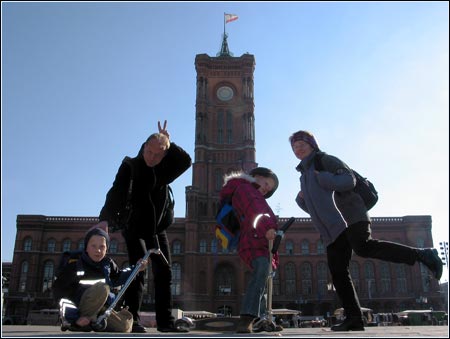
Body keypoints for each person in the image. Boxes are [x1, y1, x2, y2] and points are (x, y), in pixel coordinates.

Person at [289, 130, 443, 332]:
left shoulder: (325, 161)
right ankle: (354, 318)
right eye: (294, 147)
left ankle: (423, 254)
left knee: (364, 248)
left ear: (312, 145)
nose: (298, 149)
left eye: (302, 144)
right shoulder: (305, 174)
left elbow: (348, 181)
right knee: (338, 272)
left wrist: (324, 178)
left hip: (350, 216)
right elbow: (314, 207)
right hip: (331, 228)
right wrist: (301, 200)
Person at [98, 120, 192, 333]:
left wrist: (169, 140)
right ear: (144, 147)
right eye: (148, 151)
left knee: (164, 272)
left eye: (157, 155)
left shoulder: (163, 170)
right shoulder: (130, 165)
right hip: (134, 227)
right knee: (137, 272)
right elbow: (116, 191)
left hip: (157, 229)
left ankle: (165, 323)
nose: (151, 157)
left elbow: (186, 161)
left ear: (163, 156)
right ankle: (133, 319)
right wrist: (105, 218)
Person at [219, 167, 281, 333]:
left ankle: (260, 319)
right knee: (261, 271)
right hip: (254, 240)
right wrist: (268, 227)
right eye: (267, 183)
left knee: (263, 278)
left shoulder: (250, 191)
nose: (268, 188)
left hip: (259, 240)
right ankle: (247, 317)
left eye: (270, 189)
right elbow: (254, 210)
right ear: (256, 176)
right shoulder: (246, 189)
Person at [53, 227, 147, 333]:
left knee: (124, 327)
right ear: (86, 248)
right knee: (103, 288)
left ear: (107, 249)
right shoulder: (75, 265)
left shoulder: (108, 264)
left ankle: (93, 322)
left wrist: (136, 268)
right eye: (93, 246)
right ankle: (78, 323)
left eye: (102, 246)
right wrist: (74, 318)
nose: (98, 250)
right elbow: (61, 294)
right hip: (79, 310)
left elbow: (119, 277)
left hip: (100, 309)